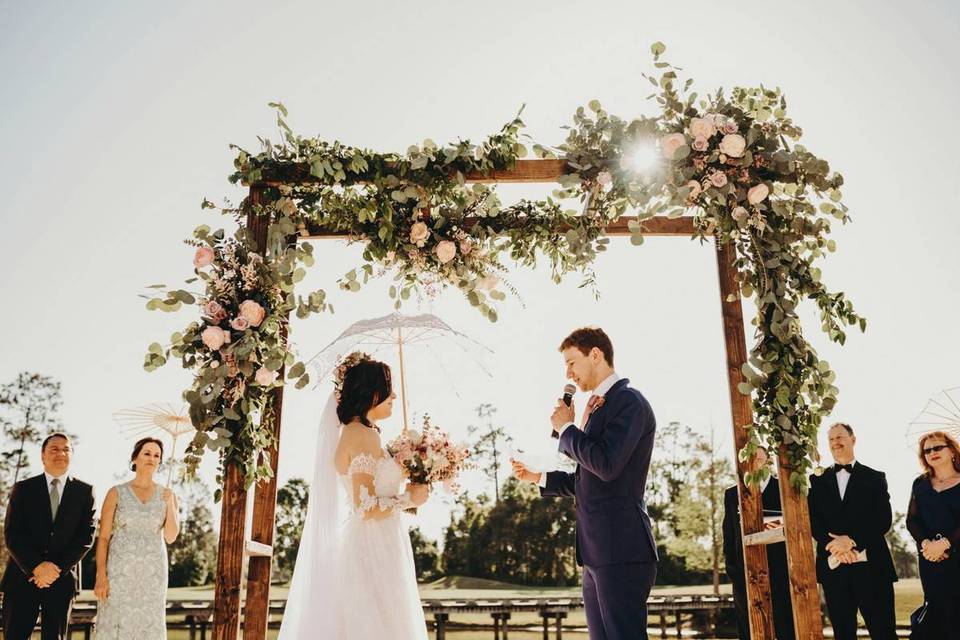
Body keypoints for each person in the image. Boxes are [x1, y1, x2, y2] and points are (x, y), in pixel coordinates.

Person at [512, 327, 658, 640]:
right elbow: (588, 479)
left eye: (571, 362)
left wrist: (566, 429)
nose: (568, 373)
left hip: (621, 547)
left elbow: (606, 465)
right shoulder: (597, 406)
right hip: (596, 552)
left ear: (595, 355)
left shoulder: (629, 402)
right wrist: (537, 477)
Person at [277, 354, 431, 640]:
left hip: (380, 539)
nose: (394, 395)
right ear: (373, 393)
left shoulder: (362, 432)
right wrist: (410, 499)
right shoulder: (361, 435)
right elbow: (366, 507)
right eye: (388, 389)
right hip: (374, 544)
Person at [1, 433, 96, 640]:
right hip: (22, 578)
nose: (60, 453)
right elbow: (12, 534)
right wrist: (36, 567)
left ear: (72, 455)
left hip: (60, 581)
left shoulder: (85, 492)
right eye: (54, 449)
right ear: (42, 456)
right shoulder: (23, 489)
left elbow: (85, 538)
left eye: (66, 449)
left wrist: (54, 570)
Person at [807, 422, 897, 640]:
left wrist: (852, 541)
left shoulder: (875, 478)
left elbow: (883, 520)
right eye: (831, 439)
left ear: (853, 440)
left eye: (840, 437)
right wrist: (836, 548)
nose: (835, 442)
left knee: (883, 632)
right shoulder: (816, 481)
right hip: (834, 569)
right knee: (843, 634)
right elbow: (813, 521)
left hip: (873, 569)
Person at [92, 437, 180, 639]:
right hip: (119, 573)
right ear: (135, 458)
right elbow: (103, 537)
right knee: (116, 622)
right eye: (147, 453)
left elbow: (170, 537)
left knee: (150, 623)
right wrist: (101, 575)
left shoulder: (167, 494)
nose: (152, 458)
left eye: (157, 455)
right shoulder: (116, 492)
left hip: (153, 573)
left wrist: (170, 505)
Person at [721, 447, 794, 640]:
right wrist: (735, 573)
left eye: (760, 458)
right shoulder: (732, 494)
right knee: (748, 632)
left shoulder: (784, 489)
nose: (755, 462)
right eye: (751, 458)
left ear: (768, 461)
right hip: (744, 579)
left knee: (786, 629)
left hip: (781, 578)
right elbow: (728, 537)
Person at [905, 431, 960, 635]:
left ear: (952, 450)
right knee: (936, 615)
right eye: (927, 450)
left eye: (938, 447)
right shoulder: (920, 484)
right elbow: (911, 521)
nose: (932, 452)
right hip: (931, 560)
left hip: (957, 556)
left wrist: (945, 543)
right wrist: (926, 545)